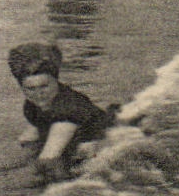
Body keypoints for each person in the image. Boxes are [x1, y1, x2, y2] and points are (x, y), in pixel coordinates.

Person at [8, 42, 115, 185]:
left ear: (56, 80)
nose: (39, 94)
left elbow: (49, 158)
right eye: (30, 88)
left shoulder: (67, 112)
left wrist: (10, 183)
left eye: (44, 86)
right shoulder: (32, 105)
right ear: (21, 87)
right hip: (79, 144)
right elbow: (29, 139)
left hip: (111, 141)